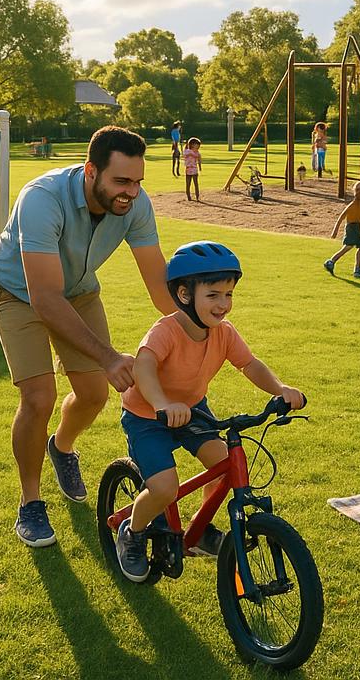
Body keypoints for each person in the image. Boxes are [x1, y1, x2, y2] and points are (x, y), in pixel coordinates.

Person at [0, 126, 175, 548]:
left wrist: (200, 328)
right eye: (121, 181)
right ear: (91, 171)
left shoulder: (135, 205)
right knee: (39, 397)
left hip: (79, 290)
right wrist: (109, 356)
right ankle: (30, 502)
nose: (131, 192)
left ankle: (62, 445)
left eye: (138, 182)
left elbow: (159, 287)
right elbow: (45, 298)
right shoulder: (42, 197)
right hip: (18, 293)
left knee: (93, 395)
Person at [114, 241, 306, 582]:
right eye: (214, 295)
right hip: (148, 416)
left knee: (224, 467)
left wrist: (281, 390)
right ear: (185, 295)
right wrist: (161, 404)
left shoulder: (223, 333)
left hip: (193, 411)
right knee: (164, 488)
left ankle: (200, 531)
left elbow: (249, 365)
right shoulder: (166, 331)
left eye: (229, 295)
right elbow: (144, 367)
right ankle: (133, 531)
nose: (224, 305)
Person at [183, 137, 202, 202]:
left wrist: (200, 167)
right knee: (188, 184)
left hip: (194, 169)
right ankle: (189, 197)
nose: (198, 148)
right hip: (188, 169)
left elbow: (199, 160)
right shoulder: (187, 151)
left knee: (196, 183)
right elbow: (186, 153)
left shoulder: (197, 153)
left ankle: (197, 197)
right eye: (197, 146)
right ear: (192, 145)